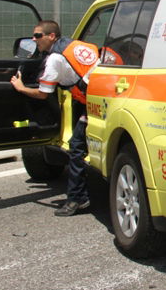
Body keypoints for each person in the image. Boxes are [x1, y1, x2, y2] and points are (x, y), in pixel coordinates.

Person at [10, 20, 100, 216]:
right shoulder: (80, 46)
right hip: (104, 98)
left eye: (38, 36)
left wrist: (21, 88)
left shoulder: (54, 59)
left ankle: (78, 199)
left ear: (51, 36)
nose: (34, 40)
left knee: (76, 148)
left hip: (90, 103)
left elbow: (43, 94)